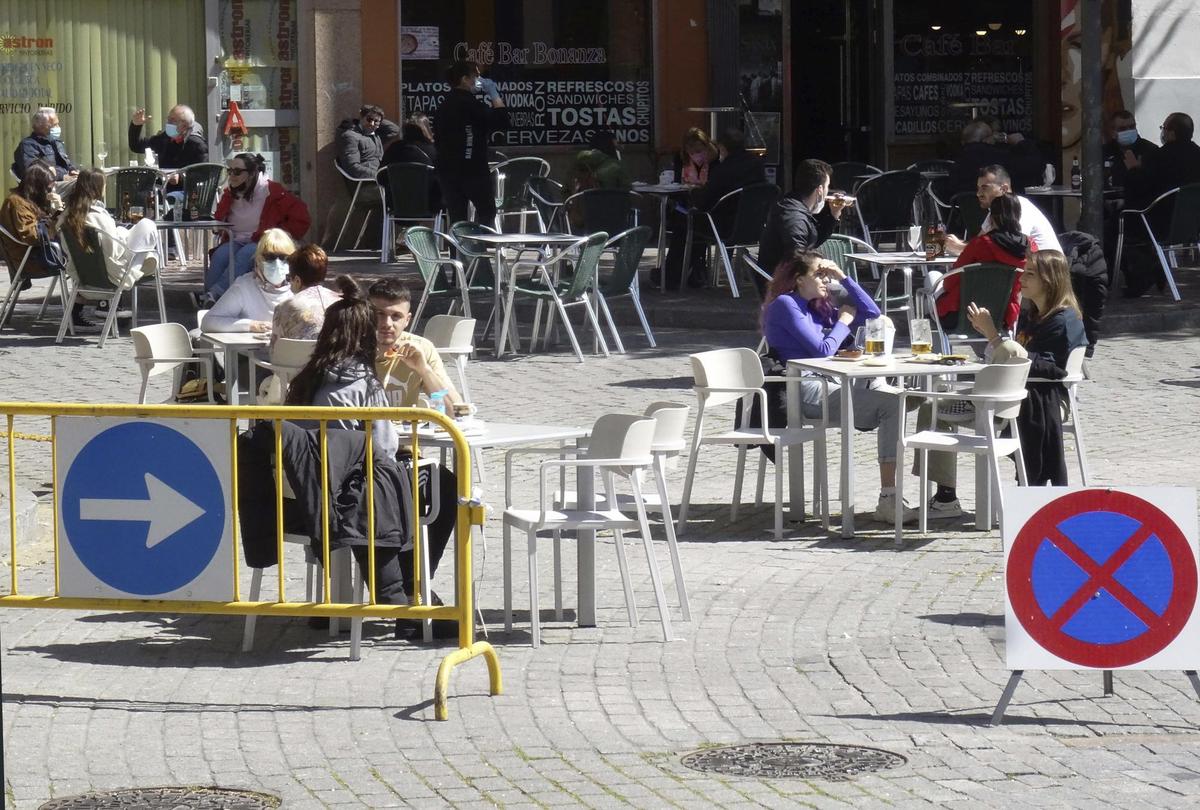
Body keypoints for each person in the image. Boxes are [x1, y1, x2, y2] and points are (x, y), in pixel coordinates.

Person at [759, 251, 916, 523]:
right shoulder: (786, 305)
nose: (825, 281)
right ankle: (889, 499)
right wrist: (842, 323)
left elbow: (873, 314)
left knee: (898, 401)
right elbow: (821, 349)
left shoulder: (816, 307)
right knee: (893, 405)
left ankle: (890, 495)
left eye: (826, 275)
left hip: (830, 382)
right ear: (799, 280)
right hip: (803, 387)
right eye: (819, 275)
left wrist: (844, 278)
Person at [369, 276, 460, 636]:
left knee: (446, 486)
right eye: (377, 315)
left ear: (407, 318)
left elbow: (451, 410)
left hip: (405, 452)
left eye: (394, 316)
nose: (385, 325)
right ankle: (411, 594)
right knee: (393, 494)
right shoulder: (350, 346)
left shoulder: (419, 349)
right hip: (359, 453)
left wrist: (423, 370)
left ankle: (416, 585)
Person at [965, 250, 1088, 486]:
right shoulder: (1035, 315)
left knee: (1010, 347)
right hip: (1017, 391)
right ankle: (945, 497)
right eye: (1024, 272)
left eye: (1030, 274)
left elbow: (1048, 368)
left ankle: (972, 400)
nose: (1022, 279)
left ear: (1049, 280)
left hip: (1045, 399)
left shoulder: (1063, 320)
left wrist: (993, 336)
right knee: (931, 408)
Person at [663, 129, 766, 290]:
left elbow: (705, 200)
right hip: (753, 225)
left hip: (724, 225)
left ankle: (672, 275)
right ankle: (694, 272)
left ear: (722, 147)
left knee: (685, 222)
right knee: (693, 221)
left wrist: (694, 193)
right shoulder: (757, 164)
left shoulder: (724, 169)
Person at [0, 161, 91, 328]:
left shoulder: (26, 200)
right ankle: (82, 308)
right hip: (32, 260)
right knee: (82, 259)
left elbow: (40, 227)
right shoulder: (17, 203)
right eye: (48, 188)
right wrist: (55, 218)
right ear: (37, 186)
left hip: (37, 254)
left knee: (82, 252)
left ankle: (81, 306)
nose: (50, 191)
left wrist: (55, 211)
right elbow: (33, 236)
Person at [208, 152, 311, 298]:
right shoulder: (230, 194)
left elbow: (302, 218)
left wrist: (281, 236)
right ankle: (208, 296)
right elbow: (219, 219)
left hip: (261, 241)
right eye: (229, 171)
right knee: (220, 255)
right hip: (236, 239)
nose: (231, 176)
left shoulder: (273, 193)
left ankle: (216, 294)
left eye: (237, 172)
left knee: (246, 254)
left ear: (251, 174)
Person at [1121, 112, 1200, 296]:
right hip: (1192, 227)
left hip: (1159, 222)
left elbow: (1139, 189)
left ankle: (1144, 274)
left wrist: (1133, 169)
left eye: (1164, 128)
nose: (1163, 132)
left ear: (1171, 133)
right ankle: (1155, 267)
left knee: (1119, 223)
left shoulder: (1158, 156)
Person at [931, 193, 1029, 334]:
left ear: (991, 218)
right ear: (1018, 215)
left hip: (962, 314)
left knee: (932, 277)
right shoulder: (1030, 246)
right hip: (1004, 317)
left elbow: (948, 283)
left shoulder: (981, 244)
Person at [755, 158, 853, 295]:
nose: (827, 192)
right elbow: (799, 256)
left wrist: (833, 215)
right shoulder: (794, 216)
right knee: (849, 297)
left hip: (792, 280)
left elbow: (811, 241)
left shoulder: (793, 204)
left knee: (845, 293)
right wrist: (827, 273)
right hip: (785, 288)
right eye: (827, 187)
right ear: (819, 190)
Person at [433, 61, 509, 226]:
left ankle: (458, 250)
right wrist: (494, 93)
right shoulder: (471, 104)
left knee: (457, 217)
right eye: (476, 76)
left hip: (448, 170)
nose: (479, 80)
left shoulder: (444, 105)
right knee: (487, 211)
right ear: (465, 79)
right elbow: (502, 120)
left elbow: (438, 139)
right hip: (473, 169)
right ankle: (479, 247)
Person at [57, 168, 158, 290]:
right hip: (111, 275)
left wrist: (121, 232)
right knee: (147, 225)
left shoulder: (68, 216)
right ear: (99, 188)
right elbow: (115, 252)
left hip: (82, 275)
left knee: (129, 231)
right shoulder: (98, 216)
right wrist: (122, 234)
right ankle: (132, 273)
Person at [943, 165, 1061, 258]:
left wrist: (961, 247)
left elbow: (1015, 247)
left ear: (1003, 189)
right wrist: (957, 244)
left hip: (1045, 274)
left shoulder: (1019, 206)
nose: (979, 194)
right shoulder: (994, 211)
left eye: (985, 188)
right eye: (978, 189)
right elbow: (978, 242)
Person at [200, 228, 296, 333]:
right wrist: (250, 325)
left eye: (284, 258)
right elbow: (208, 322)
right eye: (270, 257)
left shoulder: (300, 289)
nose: (277, 264)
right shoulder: (244, 286)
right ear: (259, 260)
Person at [271, 243, 340, 342]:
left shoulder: (284, 307)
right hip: (339, 357)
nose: (288, 282)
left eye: (289, 278)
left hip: (300, 357)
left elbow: (275, 351)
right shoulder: (342, 302)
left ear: (298, 281)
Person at [127, 104, 208, 185]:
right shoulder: (165, 138)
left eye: (172, 120)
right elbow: (137, 146)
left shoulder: (197, 145)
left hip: (184, 191)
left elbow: (203, 174)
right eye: (168, 119)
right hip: (162, 187)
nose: (168, 123)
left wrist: (180, 178)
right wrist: (136, 125)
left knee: (171, 197)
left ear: (184, 125)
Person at [12, 107, 78, 181]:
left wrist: (72, 170)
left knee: (89, 179)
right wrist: (62, 177)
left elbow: (66, 163)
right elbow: (35, 172)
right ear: (40, 126)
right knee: (83, 186)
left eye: (58, 124)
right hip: (47, 185)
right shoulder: (28, 145)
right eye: (54, 125)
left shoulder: (56, 141)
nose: (58, 127)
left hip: (65, 180)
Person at [335, 104, 399, 178]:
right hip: (365, 182)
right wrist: (379, 176)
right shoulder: (350, 136)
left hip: (378, 178)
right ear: (361, 118)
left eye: (375, 121)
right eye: (369, 119)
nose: (371, 124)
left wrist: (378, 118)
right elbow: (352, 167)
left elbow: (394, 130)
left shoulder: (376, 135)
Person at [1104, 109, 1158, 191]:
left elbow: (1155, 183)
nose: (1128, 131)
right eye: (1122, 129)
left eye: (1132, 127)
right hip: (1110, 198)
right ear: (1112, 132)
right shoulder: (1104, 151)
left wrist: (1137, 172)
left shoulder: (1151, 150)